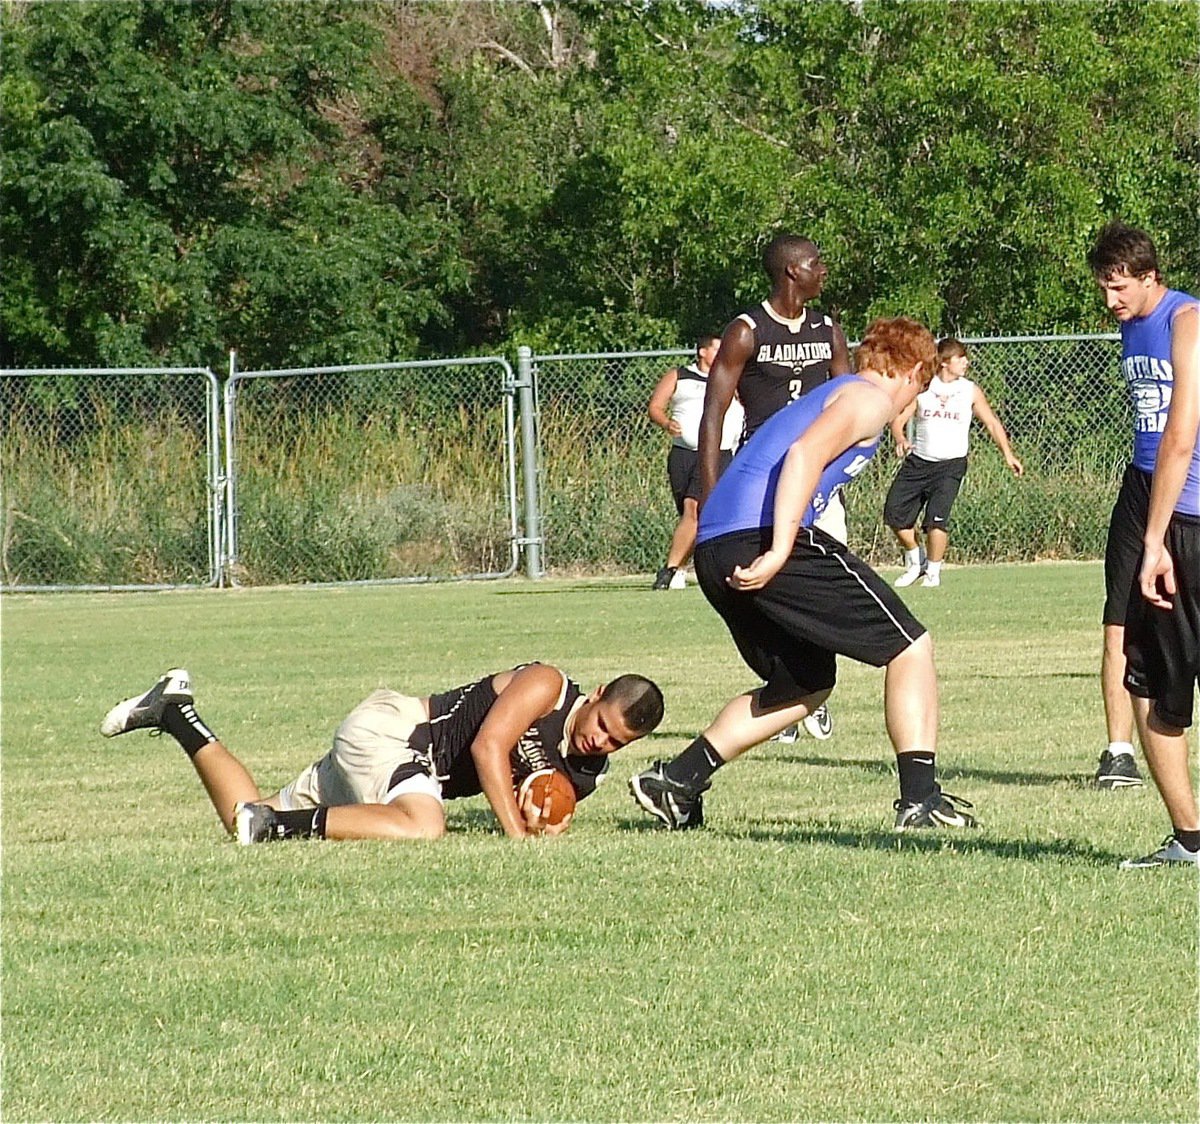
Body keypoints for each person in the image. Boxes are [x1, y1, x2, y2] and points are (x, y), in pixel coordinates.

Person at [629, 316, 977, 832]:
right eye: (920, 386)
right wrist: (780, 549)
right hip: (762, 536)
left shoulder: (839, 391)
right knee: (909, 647)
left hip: (717, 549)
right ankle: (920, 799)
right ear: (913, 370)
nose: (912, 399)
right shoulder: (868, 399)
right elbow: (803, 455)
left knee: (805, 683)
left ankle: (678, 780)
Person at [101, 664, 664, 843]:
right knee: (425, 824)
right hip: (396, 733)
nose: (600, 741)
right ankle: (279, 827)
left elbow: (544, 805)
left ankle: (176, 712)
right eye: (603, 726)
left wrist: (542, 817)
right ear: (594, 698)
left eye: (617, 742)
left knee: (239, 818)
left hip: (392, 769)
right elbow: (489, 747)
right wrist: (518, 836)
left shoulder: (588, 772)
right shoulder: (547, 685)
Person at [695, 233, 853, 742]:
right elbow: (714, 413)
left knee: (826, 588)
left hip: (818, 480)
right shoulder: (747, 330)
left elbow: (849, 397)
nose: (823, 269)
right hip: (760, 484)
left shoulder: (828, 329)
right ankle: (791, 685)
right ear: (790, 272)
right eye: (814, 263)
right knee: (773, 586)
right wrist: (714, 490)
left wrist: (841, 470)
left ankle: (812, 689)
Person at [1085, 223, 1200, 867]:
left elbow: (1182, 436)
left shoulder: (1187, 321)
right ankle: (1122, 753)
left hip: (1182, 503)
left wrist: (1156, 537)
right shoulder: (1130, 325)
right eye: (1105, 288)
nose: (1111, 302)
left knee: (1168, 671)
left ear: (1151, 276)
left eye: (1120, 287)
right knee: (1129, 636)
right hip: (1144, 487)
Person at [884, 337, 1024, 588]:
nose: (966, 363)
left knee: (936, 520)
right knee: (894, 514)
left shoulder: (969, 390)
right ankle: (916, 561)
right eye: (960, 358)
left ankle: (933, 572)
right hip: (919, 462)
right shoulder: (924, 387)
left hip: (951, 465)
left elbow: (991, 422)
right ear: (945, 362)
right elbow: (898, 419)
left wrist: (1008, 454)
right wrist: (900, 439)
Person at [647, 334, 745, 590]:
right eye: (717, 349)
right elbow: (656, 406)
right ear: (702, 351)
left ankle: (667, 572)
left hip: (717, 453)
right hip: (683, 454)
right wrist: (666, 422)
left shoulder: (730, 377)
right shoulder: (680, 376)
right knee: (690, 515)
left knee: (694, 509)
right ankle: (683, 566)